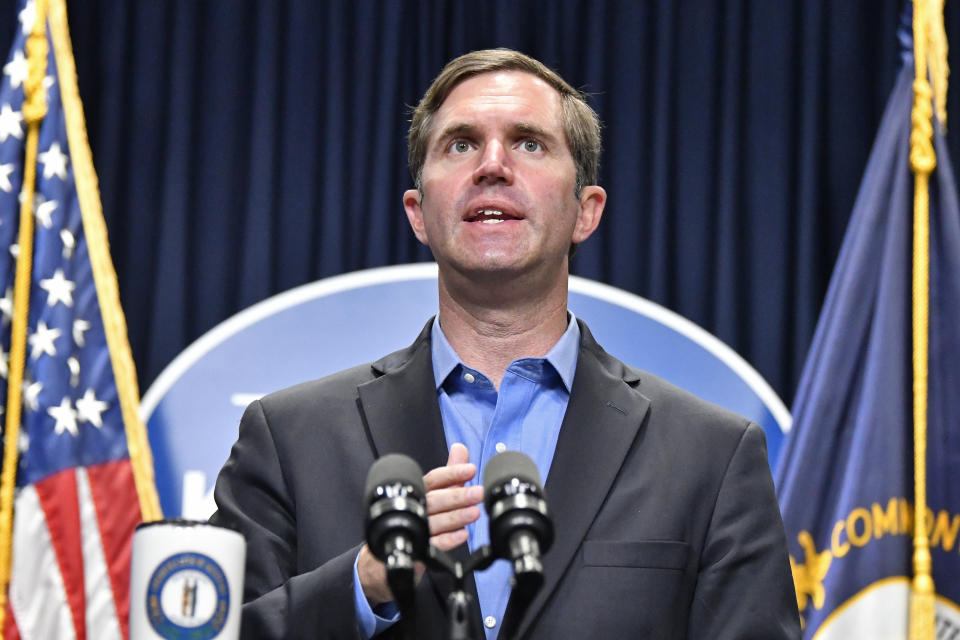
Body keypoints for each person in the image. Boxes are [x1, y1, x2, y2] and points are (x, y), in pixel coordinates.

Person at [211, 48, 800, 639]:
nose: (492, 165)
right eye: (461, 144)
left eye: (529, 143)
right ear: (418, 213)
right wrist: (361, 587)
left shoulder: (713, 456)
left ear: (585, 212)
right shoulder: (288, 439)